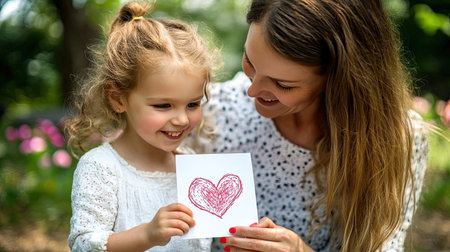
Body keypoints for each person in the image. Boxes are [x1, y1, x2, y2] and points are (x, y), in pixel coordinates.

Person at [184, 0, 429, 251]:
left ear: (339, 79)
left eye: (283, 84)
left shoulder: (395, 139)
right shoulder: (209, 114)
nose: (252, 90)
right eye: (249, 61)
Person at [65, 1, 216, 251]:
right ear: (118, 98)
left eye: (192, 104)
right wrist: (147, 234)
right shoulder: (102, 168)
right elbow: (82, 244)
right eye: (163, 106)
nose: (181, 119)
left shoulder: (192, 165)